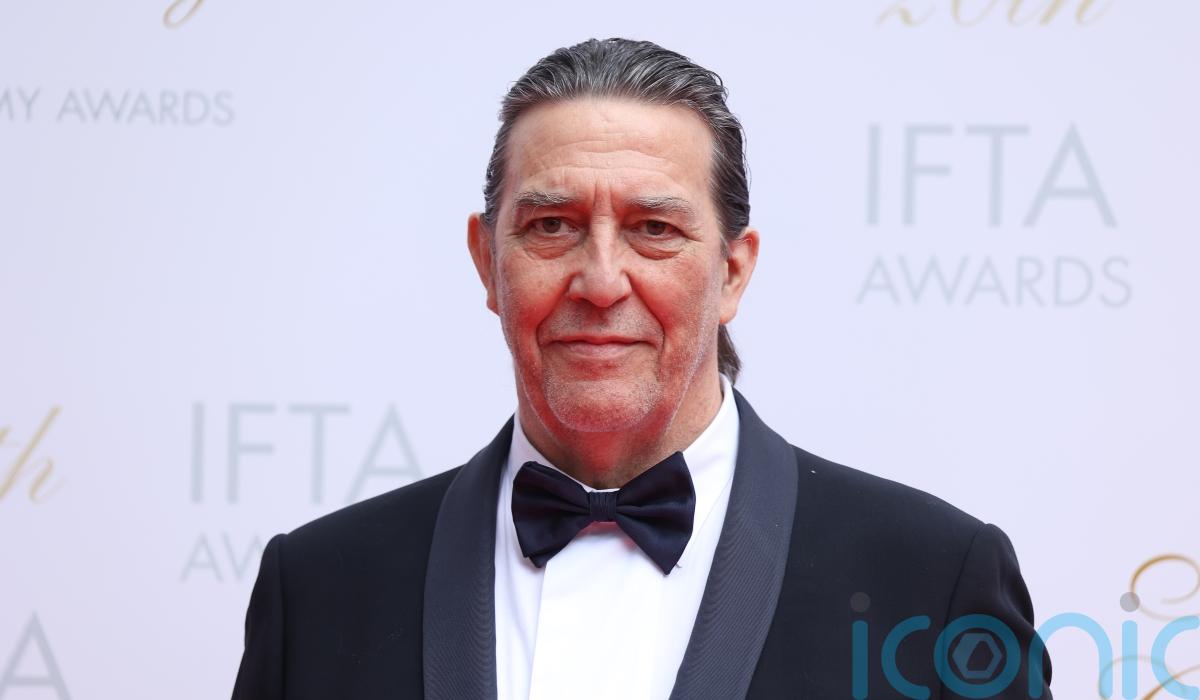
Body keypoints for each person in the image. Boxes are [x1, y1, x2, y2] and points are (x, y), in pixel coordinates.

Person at [231, 38, 1053, 699]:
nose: (599, 282)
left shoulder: (932, 578)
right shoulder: (319, 588)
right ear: (487, 263)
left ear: (732, 273)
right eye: (551, 226)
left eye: (654, 230)